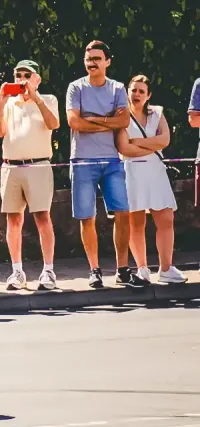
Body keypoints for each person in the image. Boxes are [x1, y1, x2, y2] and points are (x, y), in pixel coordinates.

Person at [66, 40, 133, 288]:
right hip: (82, 160)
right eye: (88, 59)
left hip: (112, 160)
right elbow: (74, 122)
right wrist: (107, 121)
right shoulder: (75, 87)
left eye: (96, 58)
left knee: (123, 212)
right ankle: (94, 270)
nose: (92, 63)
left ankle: (123, 269)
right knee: (87, 217)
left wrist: (93, 119)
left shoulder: (117, 88)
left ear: (107, 61)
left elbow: (124, 121)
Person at [0, 60, 61, 291]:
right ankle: (17, 271)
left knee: (42, 217)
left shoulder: (48, 99)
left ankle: (48, 270)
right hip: (11, 166)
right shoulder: (10, 103)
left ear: (37, 79)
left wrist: (36, 97)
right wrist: (0, 102)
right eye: (18, 75)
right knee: (13, 220)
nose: (22, 79)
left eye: (27, 75)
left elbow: (54, 123)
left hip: (38, 165)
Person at [116, 75, 185, 284]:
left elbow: (165, 140)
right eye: (133, 90)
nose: (136, 94)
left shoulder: (157, 113)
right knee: (136, 222)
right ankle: (142, 268)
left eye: (141, 91)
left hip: (156, 170)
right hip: (132, 170)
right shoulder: (121, 115)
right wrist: (150, 145)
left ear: (148, 95)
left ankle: (166, 268)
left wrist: (138, 141)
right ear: (127, 92)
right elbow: (124, 148)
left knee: (166, 218)